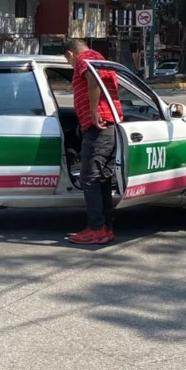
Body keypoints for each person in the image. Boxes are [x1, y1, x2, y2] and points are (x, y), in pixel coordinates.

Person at [64, 38, 123, 245]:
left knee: (89, 178)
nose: (72, 66)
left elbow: (94, 79)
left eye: (69, 63)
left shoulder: (84, 58)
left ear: (71, 54)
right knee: (102, 179)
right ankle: (106, 227)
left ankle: (95, 228)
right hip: (110, 125)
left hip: (98, 126)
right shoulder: (100, 58)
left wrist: (92, 110)